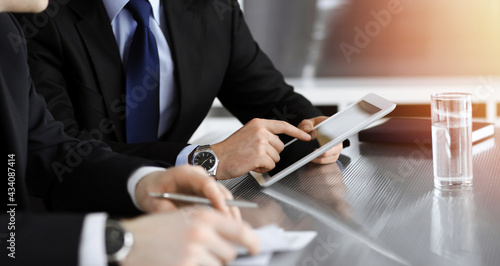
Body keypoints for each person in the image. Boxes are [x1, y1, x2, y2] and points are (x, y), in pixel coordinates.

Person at [0, 1, 259, 265]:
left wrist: (145, 183)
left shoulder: (4, 32)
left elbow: (50, 148)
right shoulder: (37, 23)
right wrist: (115, 241)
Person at [15, 0, 344, 181]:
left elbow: (273, 100)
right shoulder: (38, 15)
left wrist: (312, 128)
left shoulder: (213, 9)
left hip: (185, 212)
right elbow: (60, 150)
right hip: (75, 216)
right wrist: (207, 159)